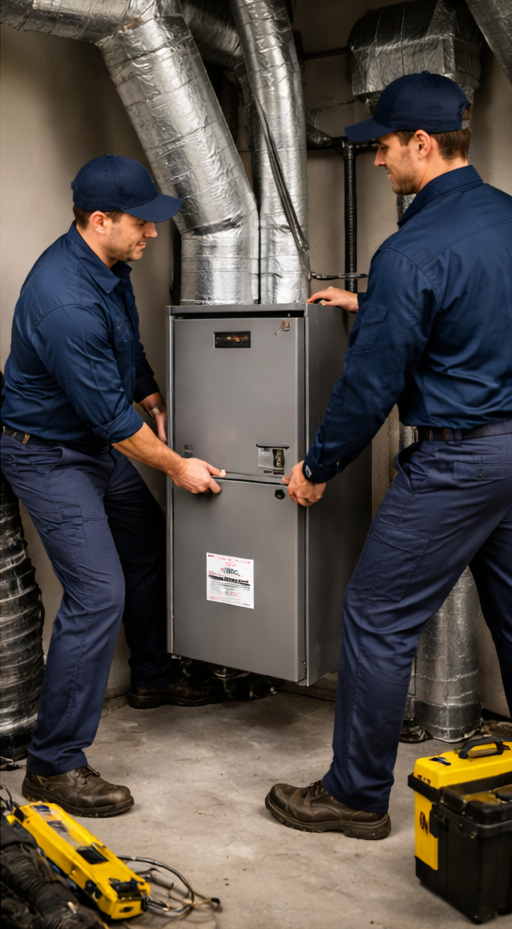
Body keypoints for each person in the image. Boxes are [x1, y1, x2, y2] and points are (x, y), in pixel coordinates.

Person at [264, 72, 512, 840]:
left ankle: (356, 794)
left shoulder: (410, 250)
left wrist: (315, 466)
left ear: (422, 144)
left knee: (374, 616)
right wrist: (372, 304)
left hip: (457, 461)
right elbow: (476, 310)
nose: (377, 161)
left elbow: (370, 384)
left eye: (383, 147)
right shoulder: (503, 219)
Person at [1, 155, 227, 817]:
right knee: (99, 592)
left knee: (147, 544)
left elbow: (122, 347)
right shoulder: (64, 299)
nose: (152, 235)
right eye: (141, 223)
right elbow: (116, 424)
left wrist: (149, 385)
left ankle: (153, 677)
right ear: (100, 220)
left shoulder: (109, 267)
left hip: (93, 446)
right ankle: (52, 764)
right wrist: (180, 466)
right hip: (48, 455)